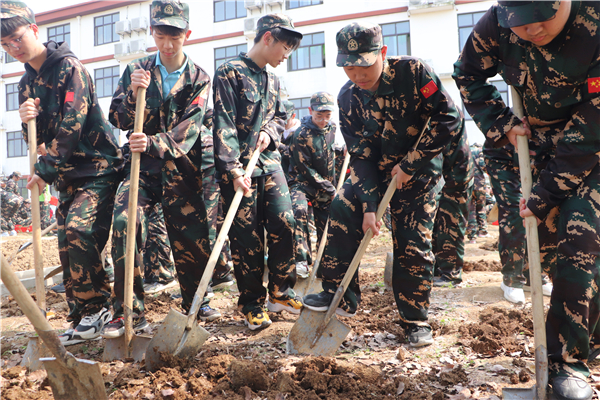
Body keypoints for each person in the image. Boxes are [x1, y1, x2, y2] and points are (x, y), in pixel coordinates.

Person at [453, 1, 599, 398]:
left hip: (589, 147)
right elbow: (467, 73)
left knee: (581, 244)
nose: (531, 30)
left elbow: (591, 129)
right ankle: (575, 341)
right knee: (550, 254)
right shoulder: (497, 24)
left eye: (541, 19)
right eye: (521, 24)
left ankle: (570, 362)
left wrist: (545, 192)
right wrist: (500, 122)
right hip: (531, 145)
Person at [303, 22, 464, 348]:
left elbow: (449, 118)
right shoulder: (348, 98)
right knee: (340, 207)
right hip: (375, 175)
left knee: (412, 246)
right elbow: (360, 159)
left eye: (364, 64)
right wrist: (369, 207)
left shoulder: (414, 73)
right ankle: (339, 293)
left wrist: (411, 163)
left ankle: (414, 320)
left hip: (418, 176)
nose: (358, 74)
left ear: (383, 53)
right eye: (349, 66)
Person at [2, 0, 123, 345]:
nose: (12, 48)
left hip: (98, 168)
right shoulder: (27, 83)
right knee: (67, 245)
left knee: (79, 230)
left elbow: (72, 125)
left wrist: (45, 170)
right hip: (68, 175)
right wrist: (27, 121)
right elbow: (34, 141)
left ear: (34, 30)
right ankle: (82, 316)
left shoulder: (70, 68)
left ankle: (98, 308)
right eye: (4, 45)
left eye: (16, 38)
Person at [102, 0, 217, 338]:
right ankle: (126, 310)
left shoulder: (199, 77)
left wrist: (153, 142)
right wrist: (132, 97)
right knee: (125, 221)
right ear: (152, 32)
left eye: (175, 37)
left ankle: (197, 298)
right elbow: (117, 119)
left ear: (187, 34)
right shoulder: (137, 69)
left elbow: (190, 128)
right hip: (141, 168)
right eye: (161, 35)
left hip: (182, 168)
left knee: (191, 235)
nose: (167, 45)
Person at [213, 13, 304, 331]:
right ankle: (252, 303)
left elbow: (284, 114)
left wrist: (272, 130)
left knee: (285, 221)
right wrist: (233, 169)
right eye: (285, 48)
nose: (286, 56)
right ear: (268, 38)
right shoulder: (229, 72)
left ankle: (281, 292)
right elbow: (222, 123)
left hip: (270, 164)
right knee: (247, 239)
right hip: (239, 170)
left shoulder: (275, 80)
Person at [287, 91, 337, 279]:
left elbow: (330, 154)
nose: (323, 120)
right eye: (319, 116)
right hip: (302, 184)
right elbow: (305, 168)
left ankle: (325, 264)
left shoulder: (332, 128)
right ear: (310, 111)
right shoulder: (301, 134)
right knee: (298, 210)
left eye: (327, 116)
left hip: (324, 186)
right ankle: (301, 260)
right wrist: (330, 188)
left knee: (328, 223)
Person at [432, 126, 474, 287]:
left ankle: (451, 274)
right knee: (439, 225)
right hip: (449, 177)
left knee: (451, 226)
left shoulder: (441, 110)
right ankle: (439, 270)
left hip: (457, 179)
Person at [465, 143, 489, 244]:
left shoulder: (465, 151)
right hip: (479, 184)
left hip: (467, 184)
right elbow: (483, 165)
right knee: (481, 208)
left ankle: (472, 236)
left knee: (471, 210)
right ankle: (482, 231)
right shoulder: (479, 152)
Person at [279, 99, 301, 180]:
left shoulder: (301, 132)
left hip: (295, 180)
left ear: (293, 115)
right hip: (278, 178)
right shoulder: (275, 131)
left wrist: (281, 147)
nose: (283, 122)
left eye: (285, 119)